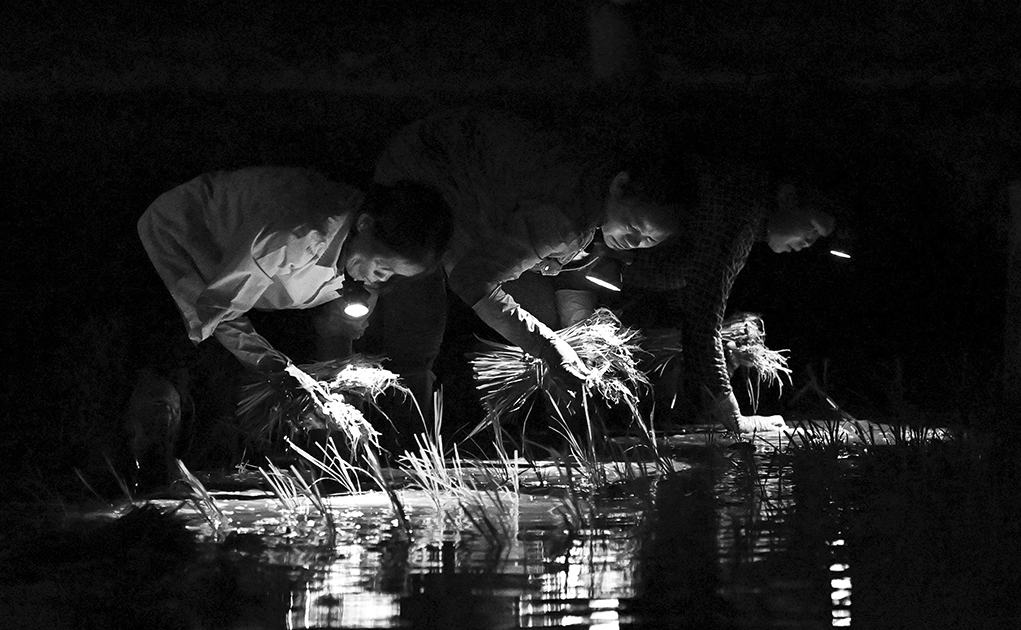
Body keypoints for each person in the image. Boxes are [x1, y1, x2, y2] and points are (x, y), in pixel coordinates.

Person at [127, 166, 451, 486]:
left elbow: (335, 332)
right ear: (365, 224)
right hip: (177, 249)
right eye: (382, 266)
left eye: (393, 275)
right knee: (168, 375)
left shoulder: (361, 256)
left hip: (245, 289)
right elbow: (217, 311)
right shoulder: (296, 233)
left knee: (229, 399)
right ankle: (146, 483)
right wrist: (282, 374)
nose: (382, 279)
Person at [368, 107, 684, 421]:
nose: (634, 241)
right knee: (417, 333)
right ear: (619, 185)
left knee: (542, 319)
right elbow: (471, 279)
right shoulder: (565, 216)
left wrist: (570, 336)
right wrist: (551, 350)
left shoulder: (595, 197)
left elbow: (561, 266)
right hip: (422, 175)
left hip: (466, 178)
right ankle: (403, 437)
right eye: (633, 225)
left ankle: (567, 420)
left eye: (649, 239)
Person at [618, 155, 839, 435]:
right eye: (812, 227)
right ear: (787, 197)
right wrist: (731, 412)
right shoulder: (739, 210)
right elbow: (702, 317)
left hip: (613, 274)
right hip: (597, 264)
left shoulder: (743, 213)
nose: (809, 242)